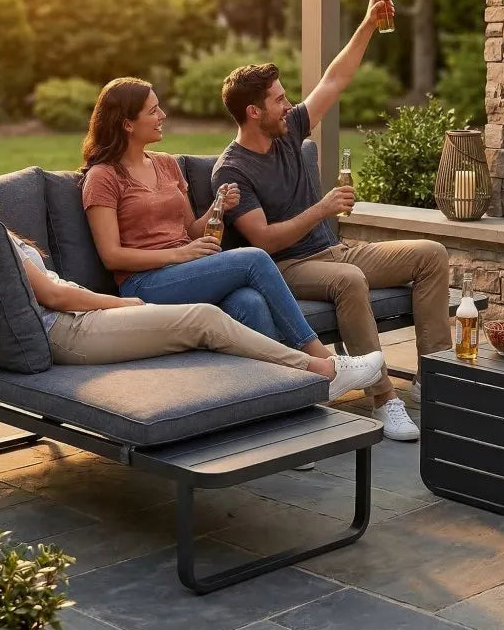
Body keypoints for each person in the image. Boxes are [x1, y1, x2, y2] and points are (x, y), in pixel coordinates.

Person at [0, 153, 381, 397]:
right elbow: (55, 297)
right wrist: (126, 303)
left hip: (81, 317)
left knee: (244, 304)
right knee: (202, 319)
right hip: (73, 328)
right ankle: (322, 369)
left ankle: (283, 400)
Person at [211, 0, 451, 442]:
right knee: (350, 281)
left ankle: (436, 380)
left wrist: (367, 23)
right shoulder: (233, 169)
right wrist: (321, 208)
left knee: (430, 254)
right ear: (252, 111)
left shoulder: (287, 131)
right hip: (288, 267)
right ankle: (386, 399)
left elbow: (334, 80)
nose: (289, 105)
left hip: (335, 250)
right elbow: (263, 242)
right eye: (279, 100)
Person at [78, 78, 383, 399]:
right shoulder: (103, 177)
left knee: (249, 303)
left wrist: (217, 208)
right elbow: (112, 256)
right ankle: (326, 362)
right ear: (127, 123)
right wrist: (181, 255)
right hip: (143, 284)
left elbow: (190, 232)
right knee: (253, 258)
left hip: (184, 273)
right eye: (153, 111)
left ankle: (283, 395)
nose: (163, 115)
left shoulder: (166, 165)